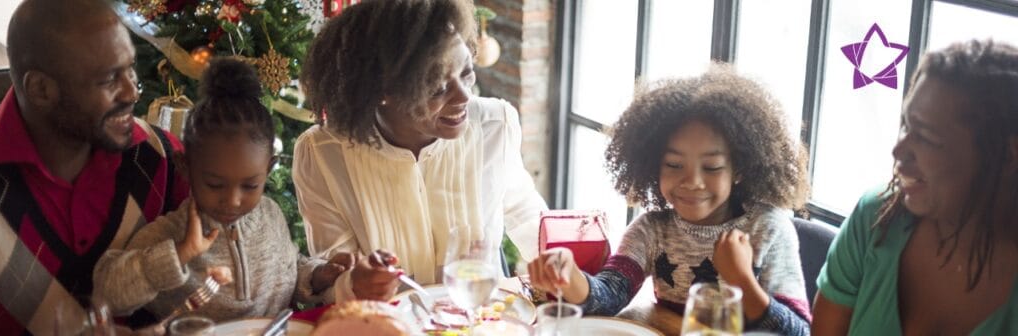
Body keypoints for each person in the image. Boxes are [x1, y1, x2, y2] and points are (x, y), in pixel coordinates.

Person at [527, 65, 812, 335]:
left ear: (739, 169)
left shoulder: (768, 229)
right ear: (653, 164)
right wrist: (569, 275)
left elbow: (799, 332)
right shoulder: (652, 230)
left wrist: (742, 280)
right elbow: (609, 296)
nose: (692, 181)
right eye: (674, 165)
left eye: (711, 167)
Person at [294, 0, 547, 302]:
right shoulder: (323, 155)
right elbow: (332, 279)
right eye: (438, 88)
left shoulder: (494, 127)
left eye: (466, 72)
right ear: (383, 91)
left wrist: (560, 265)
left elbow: (529, 219)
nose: (464, 96)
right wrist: (353, 283)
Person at [92, 59, 348, 323]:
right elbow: (107, 294)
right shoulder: (168, 234)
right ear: (185, 168)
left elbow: (291, 267)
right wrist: (179, 253)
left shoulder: (271, 214)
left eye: (250, 186)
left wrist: (317, 276)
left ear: (268, 169)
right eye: (215, 185)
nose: (233, 200)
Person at [0, 1, 188, 334]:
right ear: (41, 90)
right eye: (109, 79)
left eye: (130, 70)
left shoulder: (164, 159)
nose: (131, 92)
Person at [812, 40, 1018, 335]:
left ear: (1008, 156)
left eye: (928, 138)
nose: (898, 151)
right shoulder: (875, 217)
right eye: (907, 126)